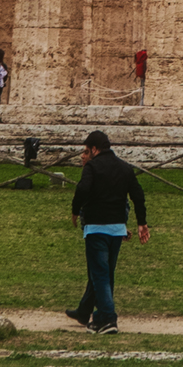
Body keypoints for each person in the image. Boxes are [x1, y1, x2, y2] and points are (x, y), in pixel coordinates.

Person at [65, 130, 149, 334]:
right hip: (117, 229)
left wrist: (75, 211)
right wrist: (142, 222)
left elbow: (83, 189)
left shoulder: (92, 167)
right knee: (105, 274)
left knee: (100, 274)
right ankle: (95, 315)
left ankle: (108, 319)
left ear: (94, 149)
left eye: (87, 150)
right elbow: (137, 195)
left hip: (96, 228)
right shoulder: (124, 167)